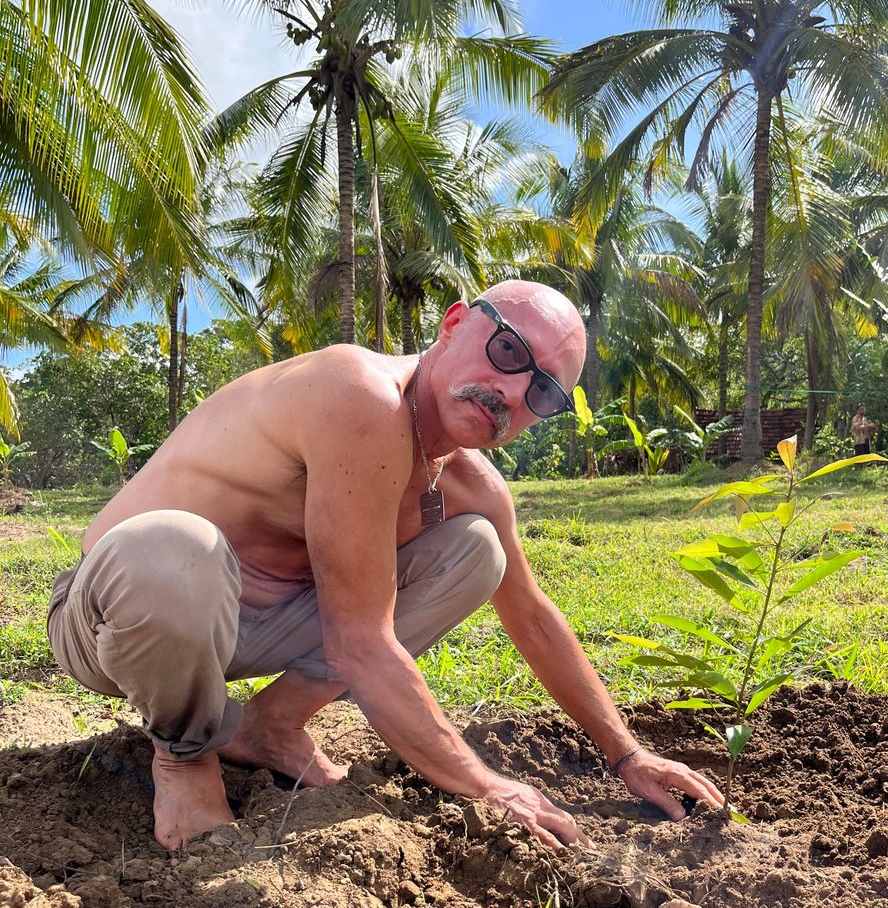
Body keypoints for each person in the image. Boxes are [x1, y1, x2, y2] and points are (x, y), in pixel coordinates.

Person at [48, 281, 724, 852]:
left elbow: (532, 618)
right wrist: (484, 783)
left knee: (475, 549)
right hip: (119, 619)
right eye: (508, 351)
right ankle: (185, 754)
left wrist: (626, 753)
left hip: (253, 627)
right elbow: (358, 641)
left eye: (542, 392)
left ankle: (268, 728)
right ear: (454, 323)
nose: (512, 391)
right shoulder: (358, 393)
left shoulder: (470, 486)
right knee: (174, 547)